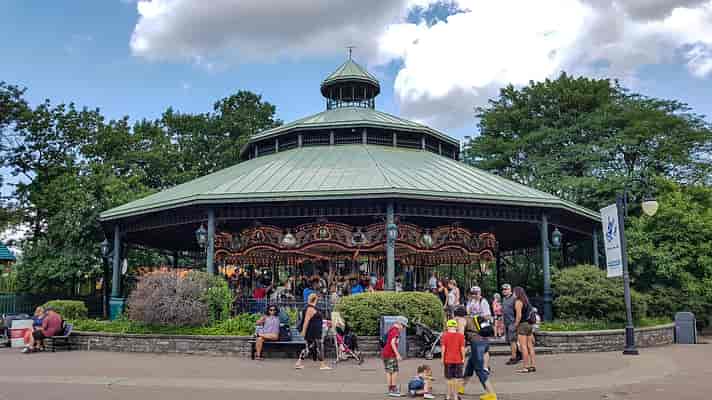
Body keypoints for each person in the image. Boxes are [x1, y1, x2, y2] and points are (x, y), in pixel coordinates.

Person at [462, 308, 496, 398]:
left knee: (479, 369)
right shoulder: (474, 318)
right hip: (485, 342)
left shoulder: (463, 320)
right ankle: (461, 387)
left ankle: (491, 394)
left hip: (477, 344)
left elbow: (461, 335)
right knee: (470, 366)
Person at [295, 293, 331, 370]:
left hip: (314, 331)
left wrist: (325, 321)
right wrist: (303, 332)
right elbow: (306, 321)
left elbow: (315, 319)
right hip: (313, 332)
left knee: (309, 348)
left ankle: (298, 362)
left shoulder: (312, 308)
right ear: (315, 299)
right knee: (318, 347)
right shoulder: (310, 309)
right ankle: (322, 365)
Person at [513, 286, 536, 373]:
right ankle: (532, 365)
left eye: (514, 292)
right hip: (529, 325)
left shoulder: (518, 302)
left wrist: (515, 325)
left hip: (522, 325)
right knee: (530, 346)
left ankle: (525, 367)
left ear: (517, 293)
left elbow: (519, 316)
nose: (513, 294)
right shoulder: (526, 301)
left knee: (523, 346)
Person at [441, 319, 466, 400]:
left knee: (448, 379)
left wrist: (442, 358)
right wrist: (463, 358)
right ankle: (455, 396)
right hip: (458, 360)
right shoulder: (461, 336)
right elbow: (462, 348)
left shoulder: (444, 336)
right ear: (456, 327)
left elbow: (443, 348)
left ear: (447, 327)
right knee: (456, 379)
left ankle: (448, 396)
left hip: (448, 360)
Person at [382, 318, 407, 397]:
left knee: (389, 371)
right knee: (394, 371)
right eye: (403, 326)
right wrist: (397, 354)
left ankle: (391, 389)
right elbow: (392, 343)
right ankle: (393, 389)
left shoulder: (392, 329)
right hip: (390, 354)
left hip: (386, 353)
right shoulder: (396, 331)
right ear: (399, 324)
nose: (403, 328)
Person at [501, 284, 521, 365]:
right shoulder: (504, 299)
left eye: (506, 289)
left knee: (513, 341)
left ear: (510, 290)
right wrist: (502, 323)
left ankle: (514, 358)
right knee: (510, 341)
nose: (504, 291)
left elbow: (518, 312)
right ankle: (518, 354)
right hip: (506, 323)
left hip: (512, 322)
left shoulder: (514, 299)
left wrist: (516, 323)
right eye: (503, 289)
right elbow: (503, 312)